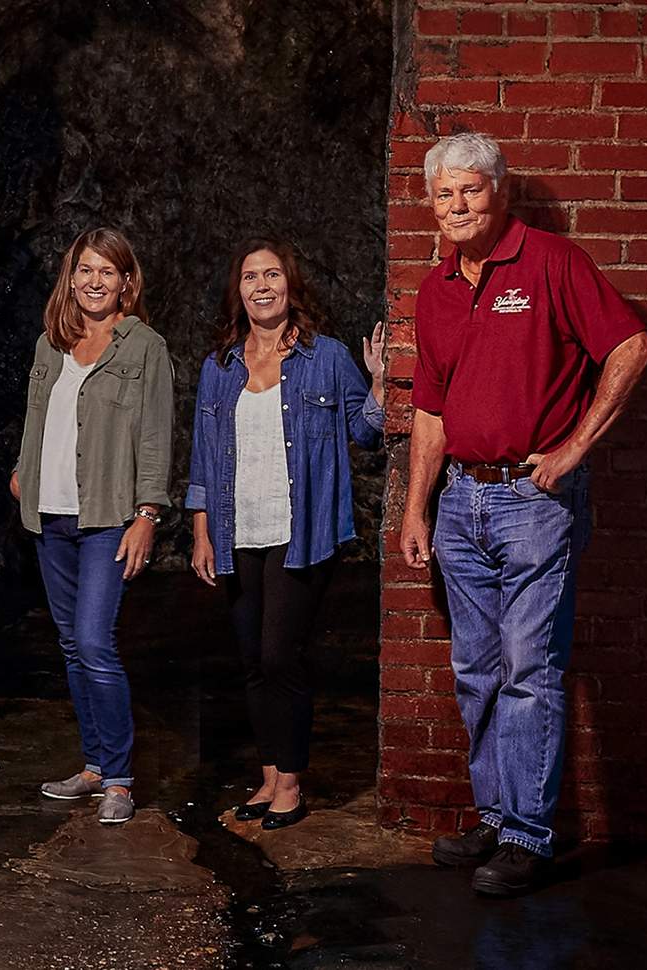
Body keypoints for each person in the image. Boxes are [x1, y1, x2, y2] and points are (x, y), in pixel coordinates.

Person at [401, 132, 647, 895]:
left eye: (470, 189)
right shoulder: (435, 289)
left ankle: (528, 835)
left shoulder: (551, 262)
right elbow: (430, 412)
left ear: (500, 191)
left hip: (534, 501)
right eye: (444, 193)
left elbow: (633, 348)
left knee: (528, 668)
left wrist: (574, 449)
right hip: (461, 502)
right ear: (431, 205)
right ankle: (496, 815)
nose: (457, 205)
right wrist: (416, 509)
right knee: (477, 670)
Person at [186, 237, 386, 831]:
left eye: (272, 274)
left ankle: (293, 783)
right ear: (238, 290)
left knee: (280, 656)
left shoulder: (326, 358)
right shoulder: (220, 367)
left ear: (290, 285)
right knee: (252, 660)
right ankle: (270, 775)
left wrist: (378, 384)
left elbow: (366, 433)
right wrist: (201, 531)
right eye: (251, 277)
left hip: (302, 531)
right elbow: (203, 458)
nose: (262, 286)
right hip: (237, 529)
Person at [11, 227, 173, 825]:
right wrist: (22, 470)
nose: (94, 281)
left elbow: (155, 436)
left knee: (95, 642)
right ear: (71, 276)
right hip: (50, 515)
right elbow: (37, 418)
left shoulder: (145, 346)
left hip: (107, 516)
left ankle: (120, 779)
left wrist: (147, 514)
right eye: (85, 269)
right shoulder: (49, 344)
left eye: (107, 271)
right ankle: (95, 764)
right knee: (71, 646)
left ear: (126, 281)